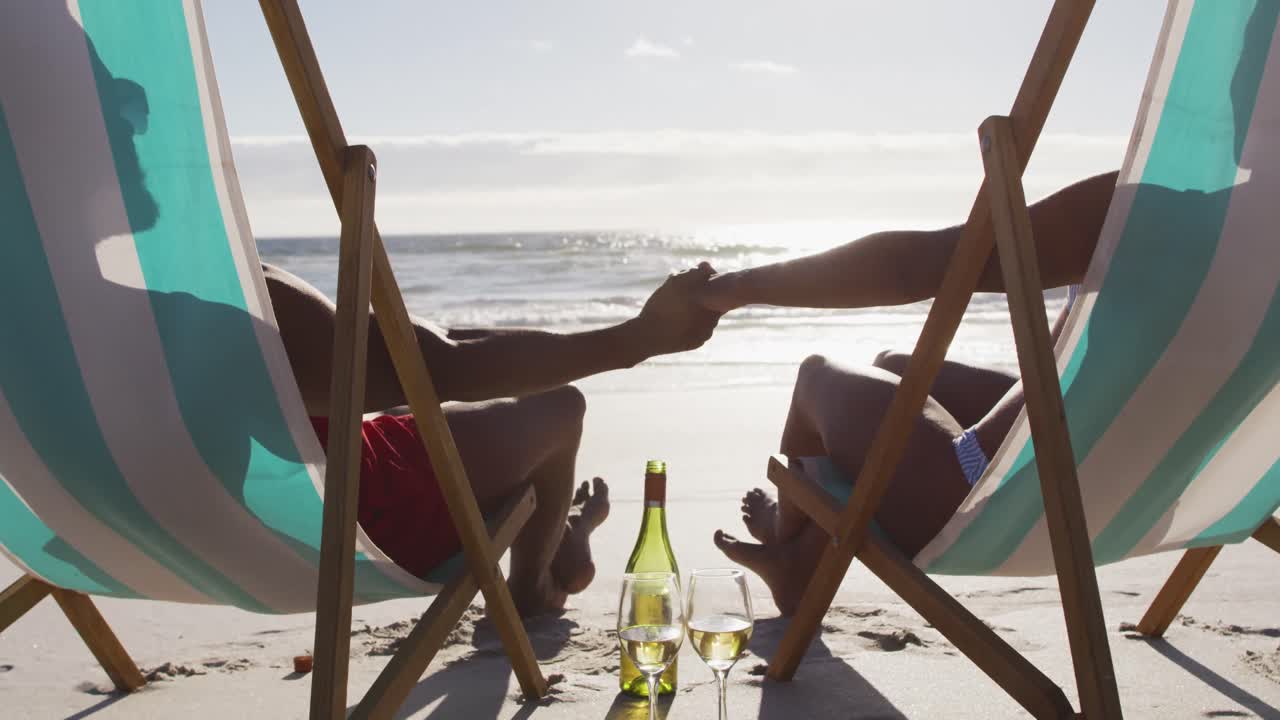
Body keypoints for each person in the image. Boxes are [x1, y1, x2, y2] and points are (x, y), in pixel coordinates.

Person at [695, 171, 1117, 615]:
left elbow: (917, 265)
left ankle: (788, 541)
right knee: (895, 367)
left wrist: (733, 288)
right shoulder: (1199, 223)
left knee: (814, 377)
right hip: (1133, 496)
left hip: (991, 505)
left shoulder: (1139, 205)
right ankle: (799, 555)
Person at [265, 262, 721, 616]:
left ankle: (557, 525)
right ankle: (533, 586)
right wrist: (637, 339)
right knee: (561, 407)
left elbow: (416, 354)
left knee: (404, 405)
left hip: (260, 531)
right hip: (363, 519)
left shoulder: (201, 312)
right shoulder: (237, 296)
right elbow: (439, 367)